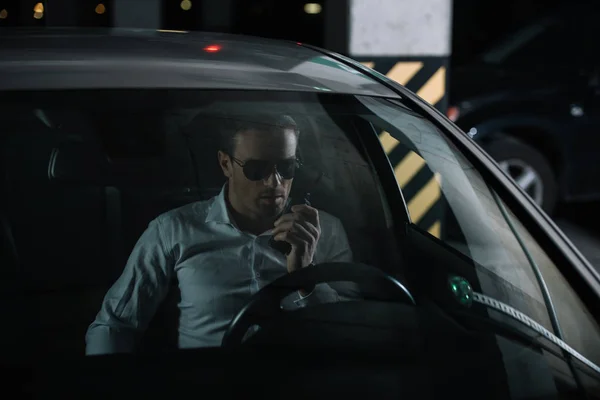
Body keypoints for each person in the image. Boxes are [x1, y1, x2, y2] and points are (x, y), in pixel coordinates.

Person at [85, 113, 355, 355]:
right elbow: (115, 326)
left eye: (286, 168)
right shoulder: (173, 230)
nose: (275, 183)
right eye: (257, 169)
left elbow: (354, 331)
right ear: (225, 164)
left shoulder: (325, 231)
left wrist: (306, 276)